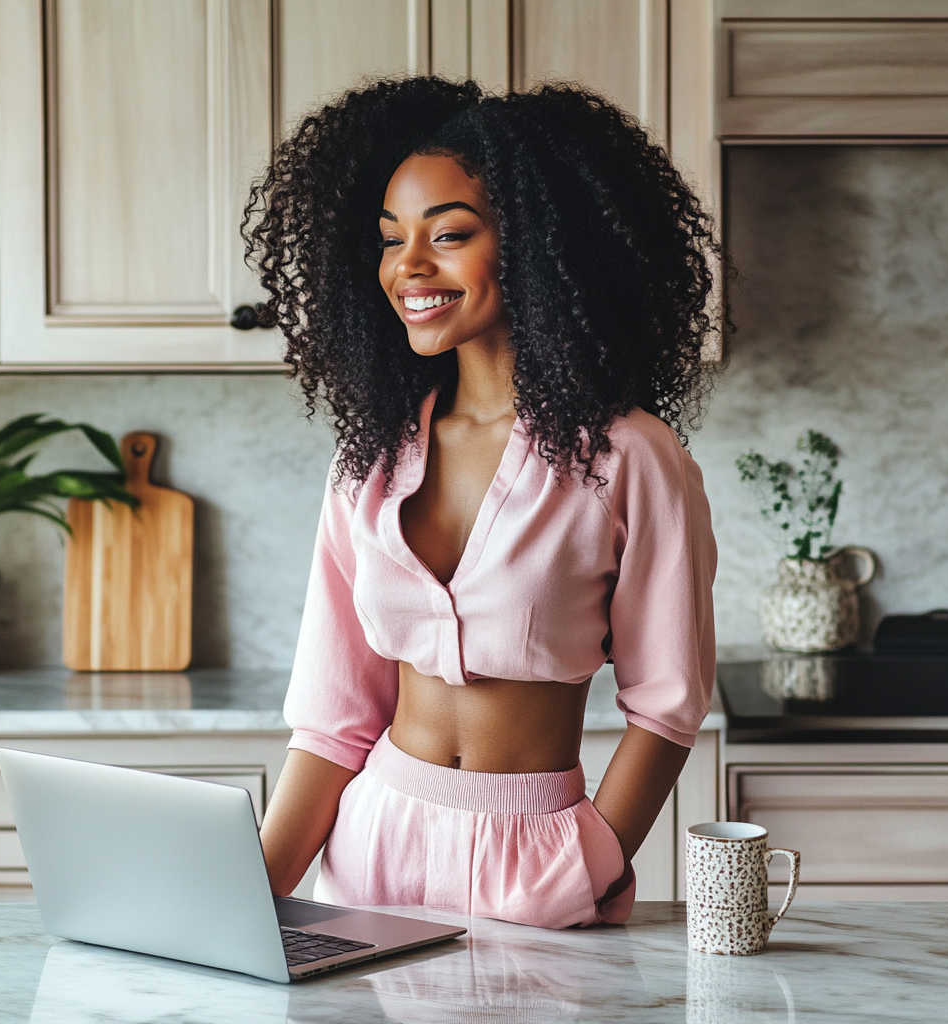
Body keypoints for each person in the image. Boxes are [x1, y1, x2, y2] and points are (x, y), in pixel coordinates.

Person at [243, 76, 720, 929]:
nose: (409, 268)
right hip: (370, 848)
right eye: (391, 241)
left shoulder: (632, 457)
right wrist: (238, 905)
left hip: (538, 856)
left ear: (539, 246)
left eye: (449, 234)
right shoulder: (371, 460)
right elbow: (332, 722)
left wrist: (594, 860)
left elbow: (667, 702)